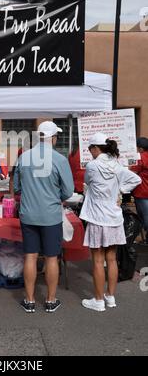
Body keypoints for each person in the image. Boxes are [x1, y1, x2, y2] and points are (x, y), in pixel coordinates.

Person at [14, 121, 74, 313]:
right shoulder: (60, 159)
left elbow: (16, 187)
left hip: (28, 214)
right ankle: (50, 300)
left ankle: (30, 300)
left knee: (30, 256)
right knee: (51, 257)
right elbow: (68, 191)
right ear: (53, 138)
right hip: (51, 215)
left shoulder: (24, 157)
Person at [80, 133, 141, 312]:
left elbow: (87, 183)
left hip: (97, 217)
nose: (90, 152)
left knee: (98, 260)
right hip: (114, 217)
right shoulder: (117, 165)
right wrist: (121, 190)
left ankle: (98, 301)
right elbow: (136, 179)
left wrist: (118, 190)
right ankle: (110, 297)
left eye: (90, 149)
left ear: (95, 148)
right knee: (112, 259)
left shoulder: (92, 165)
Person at [130, 137, 148, 244]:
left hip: (142, 192)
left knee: (145, 217)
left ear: (140, 148)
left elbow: (133, 173)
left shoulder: (141, 157)